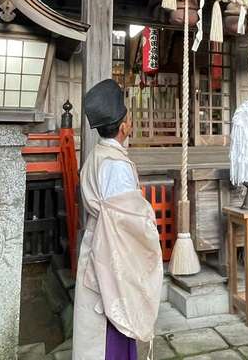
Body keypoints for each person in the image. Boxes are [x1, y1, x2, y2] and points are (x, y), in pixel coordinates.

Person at [72, 79, 163, 360]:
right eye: (129, 118)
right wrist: (148, 220)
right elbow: (129, 221)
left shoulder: (95, 156)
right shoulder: (116, 164)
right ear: (124, 127)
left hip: (96, 242)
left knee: (98, 319)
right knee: (113, 312)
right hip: (112, 251)